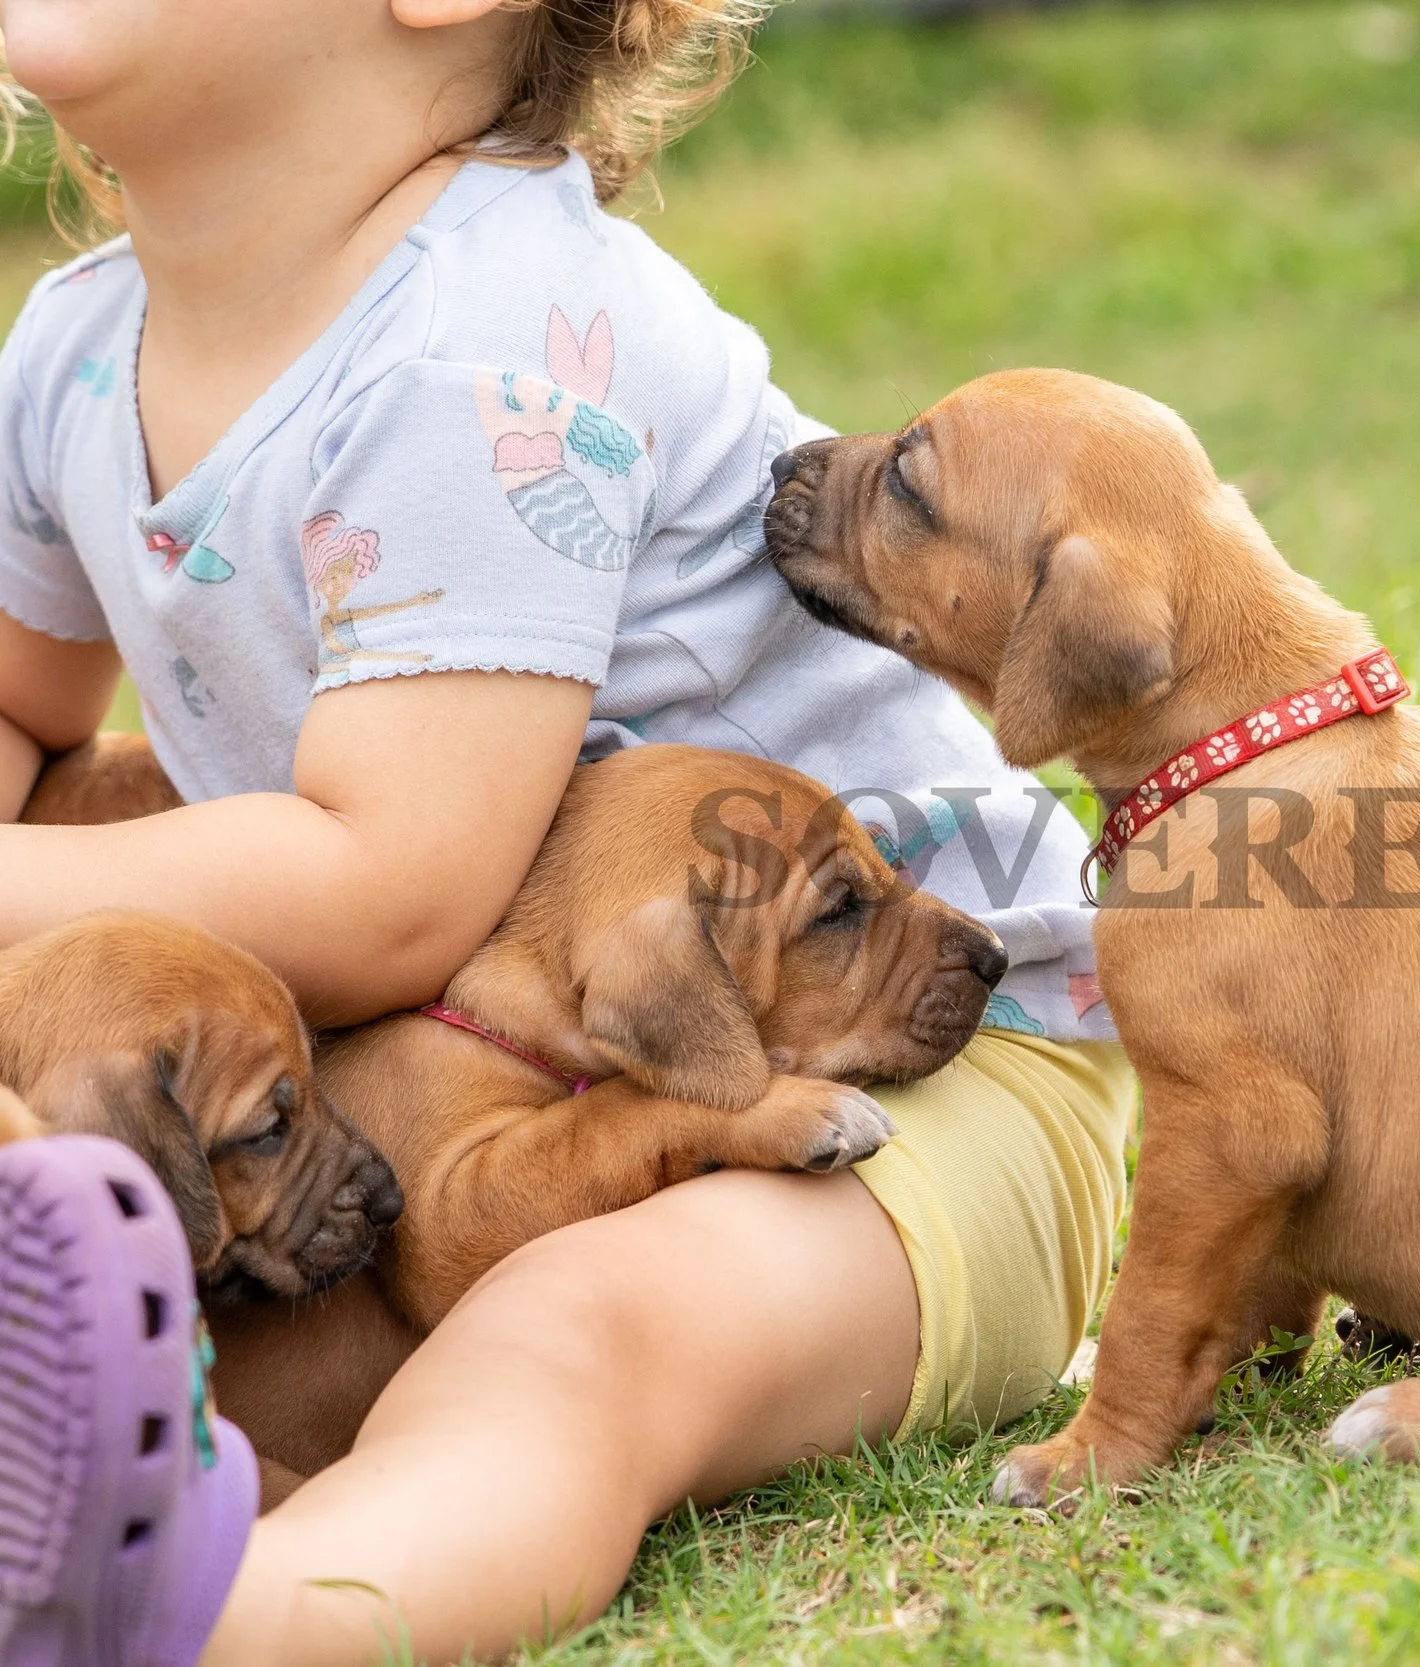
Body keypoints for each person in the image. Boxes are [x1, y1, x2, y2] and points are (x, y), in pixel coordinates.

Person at [0, 2, 1129, 1661]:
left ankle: (224, 1619)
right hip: (485, 1079)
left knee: (569, 1334)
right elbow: (29, 722)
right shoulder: (73, 350)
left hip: (920, 1062)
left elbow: (389, 889)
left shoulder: (484, 341)